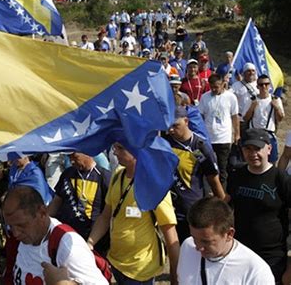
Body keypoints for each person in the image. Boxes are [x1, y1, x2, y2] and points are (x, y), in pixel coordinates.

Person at [87, 143, 180, 285]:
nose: (115, 152)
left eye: (121, 148)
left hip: (140, 268)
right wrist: (90, 243)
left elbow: (171, 236)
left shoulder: (153, 185)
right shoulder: (118, 175)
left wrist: (175, 276)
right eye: (114, 147)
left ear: (137, 151)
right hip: (117, 263)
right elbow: (106, 216)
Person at [3, 186, 108, 285]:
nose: (16, 233)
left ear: (42, 213)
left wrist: (62, 283)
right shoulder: (26, 238)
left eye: (21, 225)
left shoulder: (68, 247)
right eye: (11, 226)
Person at [227, 128, 291, 283]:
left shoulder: (281, 179)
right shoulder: (237, 175)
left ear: (269, 149)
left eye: (257, 149)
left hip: (272, 257)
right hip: (241, 252)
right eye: (247, 149)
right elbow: (227, 206)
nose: (252, 154)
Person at [178, 196, 275, 284]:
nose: (198, 247)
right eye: (194, 238)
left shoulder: (256, 272)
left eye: (206, 241)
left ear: (229, 234)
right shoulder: (187, 246)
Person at [165, 106, 226, 242]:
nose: (171, 130)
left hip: (192, 210)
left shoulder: (200, 147)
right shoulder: (165, 142)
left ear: (186, 121)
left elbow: (213, 180)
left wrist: (223, 208)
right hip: (169, 208)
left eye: (175, 125)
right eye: (168, 126)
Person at [48, 152, 110, 255]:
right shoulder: (67, 174)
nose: (72, 161)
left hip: (91, 241)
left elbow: (107, 214)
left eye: (75, 157)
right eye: (69, 157)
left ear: (87, 152)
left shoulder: (104, 177)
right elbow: (56, 202)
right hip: (67, 237)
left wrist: (91, 242)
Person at [198, 74, 240, 187]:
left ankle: (222, 195)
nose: (214, 89)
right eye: (212, 87)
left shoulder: (231, 97)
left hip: (224, 138)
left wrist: (237, 134)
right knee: (206, 166)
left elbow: (235, 116)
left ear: (223, 84)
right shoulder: (205, 97)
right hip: (208, 138)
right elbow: (200, 116)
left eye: (216, 87)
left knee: (222, 167)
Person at [242, 74, 285, 163]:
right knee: (253, 161)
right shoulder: (252, 100)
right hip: (254, 134)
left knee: (271, 161)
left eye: (266, 84)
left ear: (269, 85)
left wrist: (277, 107)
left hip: (268, 134)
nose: (264, 86)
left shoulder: (275, 99)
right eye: (261, 84)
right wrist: (252, 107)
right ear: (257, 86)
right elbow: (245, 118)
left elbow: (280, 119)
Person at [231, 62, 258, 134]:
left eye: (253, 70)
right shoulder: (236, 85)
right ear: (244, 73)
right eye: (248, 71)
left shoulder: (260, 85)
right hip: (241, 121)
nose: (251, 73)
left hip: (255, 121)